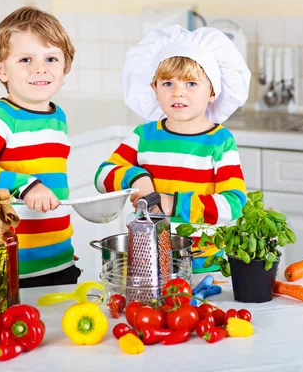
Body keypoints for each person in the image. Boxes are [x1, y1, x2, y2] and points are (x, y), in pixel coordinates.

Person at [94, 24, 251, 273]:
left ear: (212, 91)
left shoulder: (220, 141)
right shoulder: (143, 136)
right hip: (150, 261)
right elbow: (102, 177)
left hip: (204, 263)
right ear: (153, 88)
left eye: (191, 83)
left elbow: (233, 204)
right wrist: (137, 178)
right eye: (167, 83)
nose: (178, 92)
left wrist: (172, 204)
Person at [0, 6, 81, 287]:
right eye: (25, 59)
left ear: (65, 65)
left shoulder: (57, 117)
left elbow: (54, 191)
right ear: (1, 68)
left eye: (51, 58)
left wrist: (60, 247)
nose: (40, 68)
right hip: (13, 270)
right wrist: (26, 185)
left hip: (61, 262)